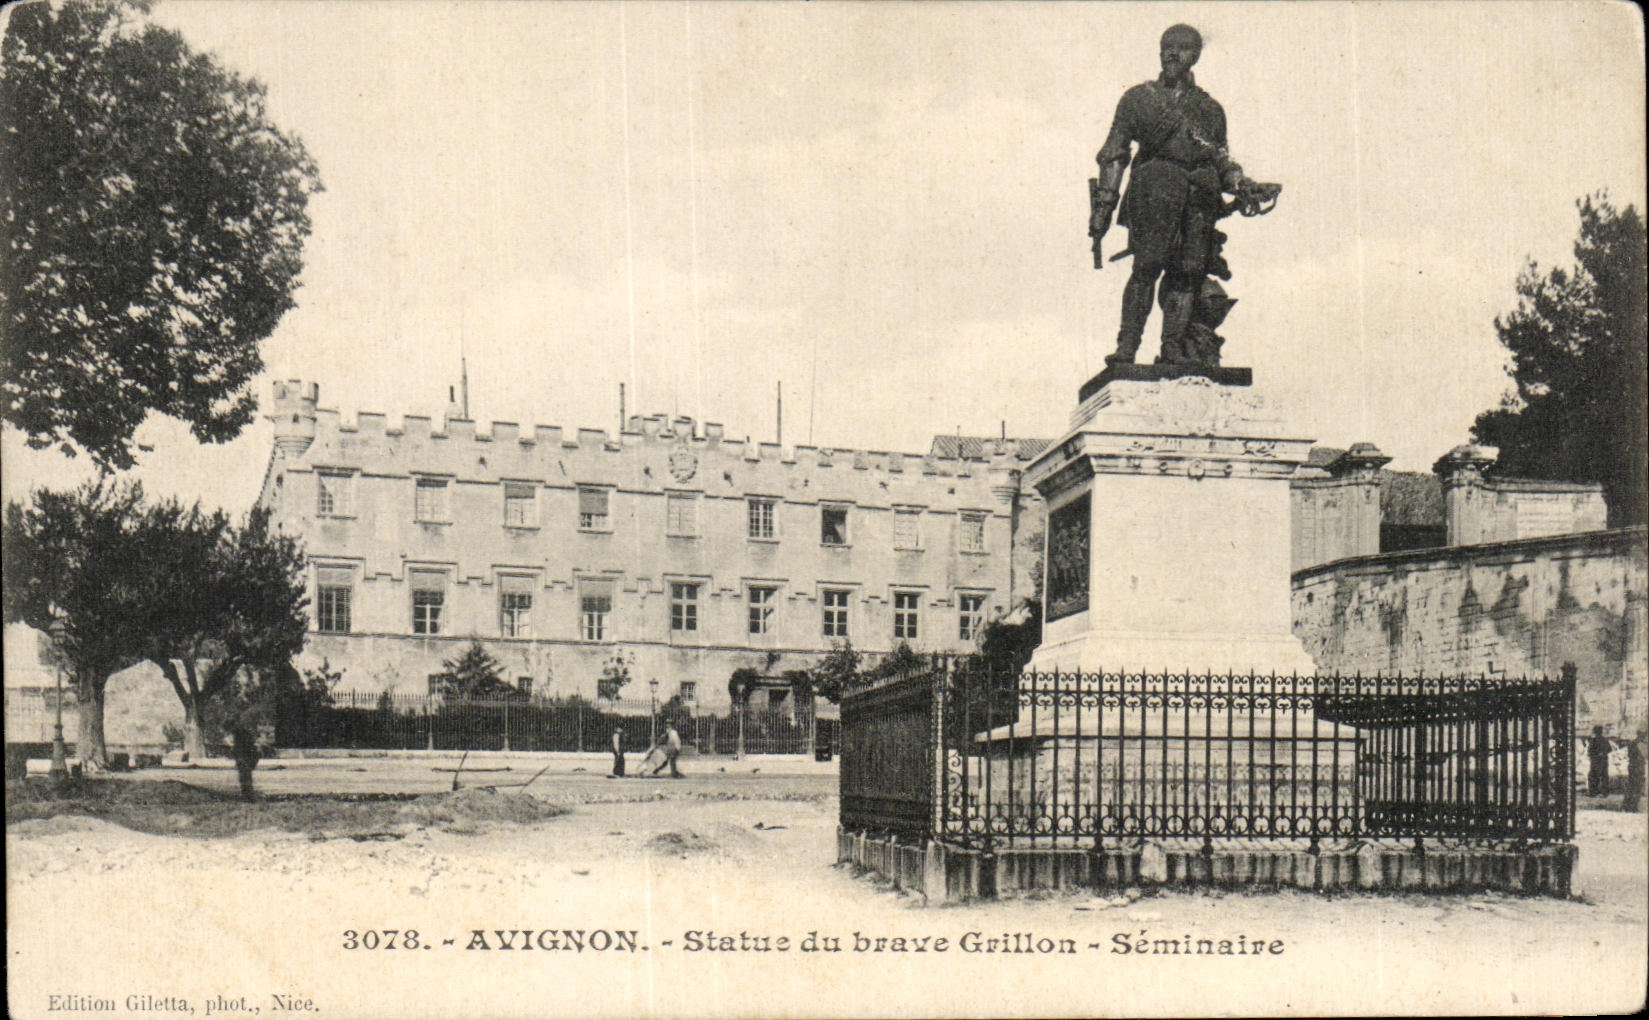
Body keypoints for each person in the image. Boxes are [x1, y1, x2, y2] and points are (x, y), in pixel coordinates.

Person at [1088, 24, 1271, 367]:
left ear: (1195, 56)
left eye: (1182, 48)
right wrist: (1104, 206)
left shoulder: (1210, 109)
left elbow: (1220, 160)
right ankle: (1127, 348)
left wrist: (1243, 185)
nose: (1171, 53)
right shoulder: (1138, 99)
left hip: (1199, 196)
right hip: (1154, 189)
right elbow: (1114, 153)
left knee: (1186, 274)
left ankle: (1172, 348)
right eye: (1166, 47)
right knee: (1146, 268)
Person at [1587, 724, 1613, 797]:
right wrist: (1603, 753)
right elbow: (1609, 750)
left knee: (1593, 776)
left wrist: (1596, 754)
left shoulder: (1593, 741)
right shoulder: (1605, 740)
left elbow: (1590, 751)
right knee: (1604, 776)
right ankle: (1605, 793)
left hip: (1596, 761)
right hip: (1604, 761)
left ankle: (1593, 792)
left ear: (1595, 732)